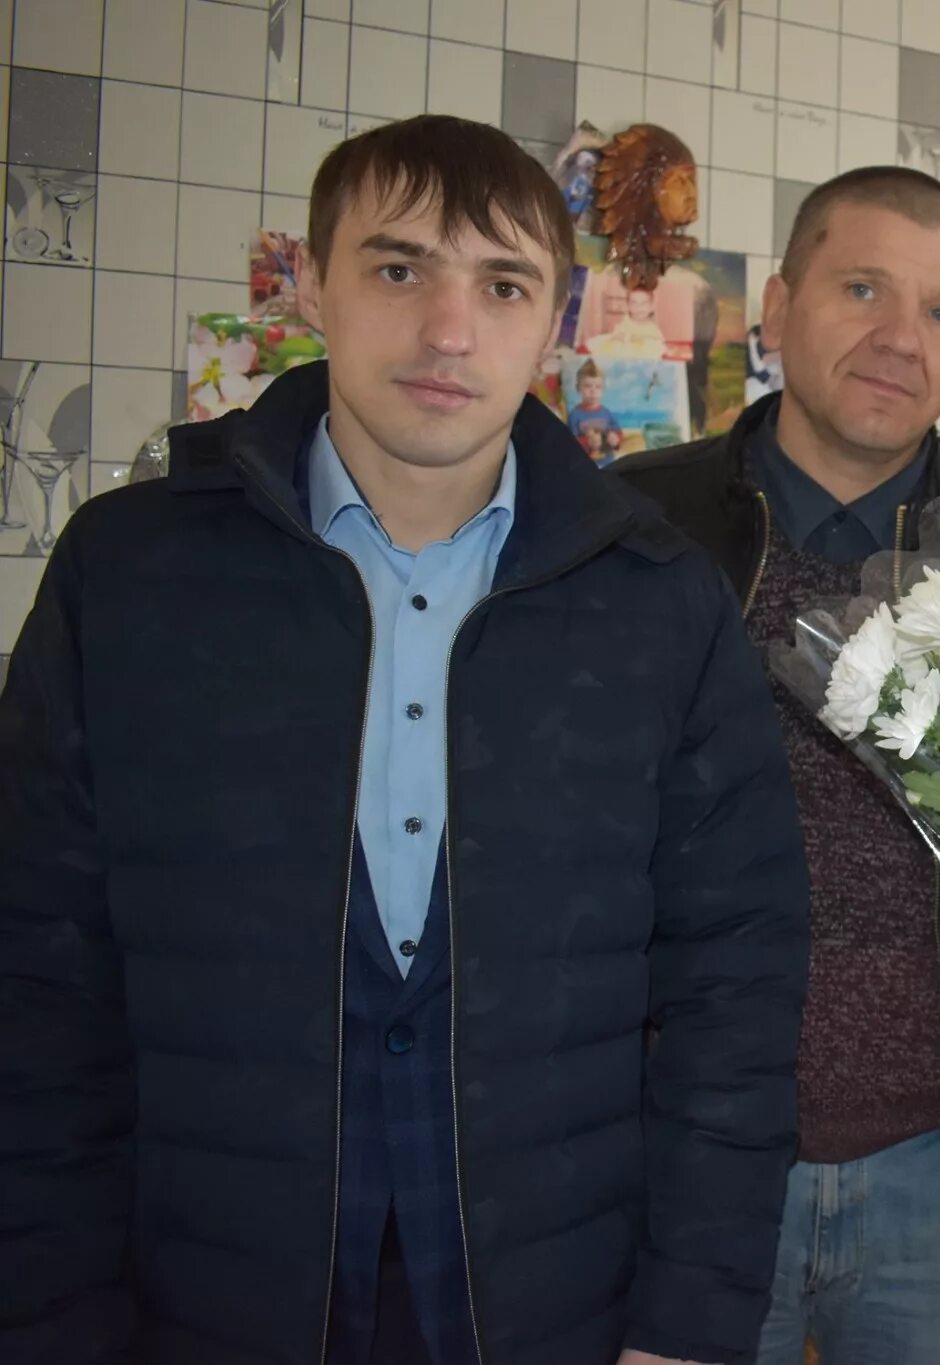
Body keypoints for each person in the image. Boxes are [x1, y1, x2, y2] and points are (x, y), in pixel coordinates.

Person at [0, 114, 811, 1365]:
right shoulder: (128, 575)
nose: (448, 329)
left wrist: (689, 1325)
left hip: (555, 1301)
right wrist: (49, 1315)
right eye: (397, 269)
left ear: (551, 318)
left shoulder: (658, 600)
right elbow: (38, 982)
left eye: (500, 285)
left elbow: (737, 988)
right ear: (312, 281)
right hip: (202, 1294)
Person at [612, 167, 940, 1365]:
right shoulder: (632, 533)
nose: (902, 339)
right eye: (863, 289)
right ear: (780, 307)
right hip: (674, 1166)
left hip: (937, 1178)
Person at [568, 356, 620, 446]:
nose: (593, 391)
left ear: (603, 390)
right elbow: (569, 443)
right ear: (578, 388)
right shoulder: (574, 415)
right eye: (588, 386)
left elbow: (618, 432)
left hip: (608, 459)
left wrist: (615, 438)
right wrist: (587, 441)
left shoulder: (607, 413)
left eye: (598, 387)